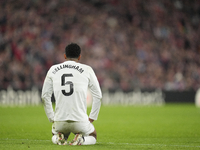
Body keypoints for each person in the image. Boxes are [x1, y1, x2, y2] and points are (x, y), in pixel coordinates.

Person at [41, 43, 102, 145]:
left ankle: (57, 138)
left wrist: (51, 117)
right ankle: (81, 140)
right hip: (80, 120)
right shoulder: (87, 69)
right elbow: (98, 96)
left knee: (55, 133)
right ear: (79, 56)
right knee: (93, 135)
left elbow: (45, 96)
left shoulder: (53, 69)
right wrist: (92, 117)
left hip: (60, 120)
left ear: (65, 56)